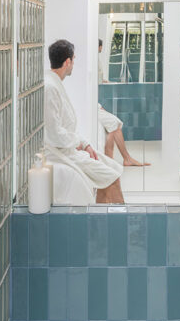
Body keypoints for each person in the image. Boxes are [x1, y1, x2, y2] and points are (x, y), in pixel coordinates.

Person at [44, 39, 125, 204]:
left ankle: (102, 217)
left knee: (112, 169)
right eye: (73, 59)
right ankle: (123, 220)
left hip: (68, 148)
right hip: (61, 153)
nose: (74, 64)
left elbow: (63, 128)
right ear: (67, 62)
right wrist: (79, 143)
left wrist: (85, 143)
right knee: (112, 176)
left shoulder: (54, 83)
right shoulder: (50, 88)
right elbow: (54, 133)